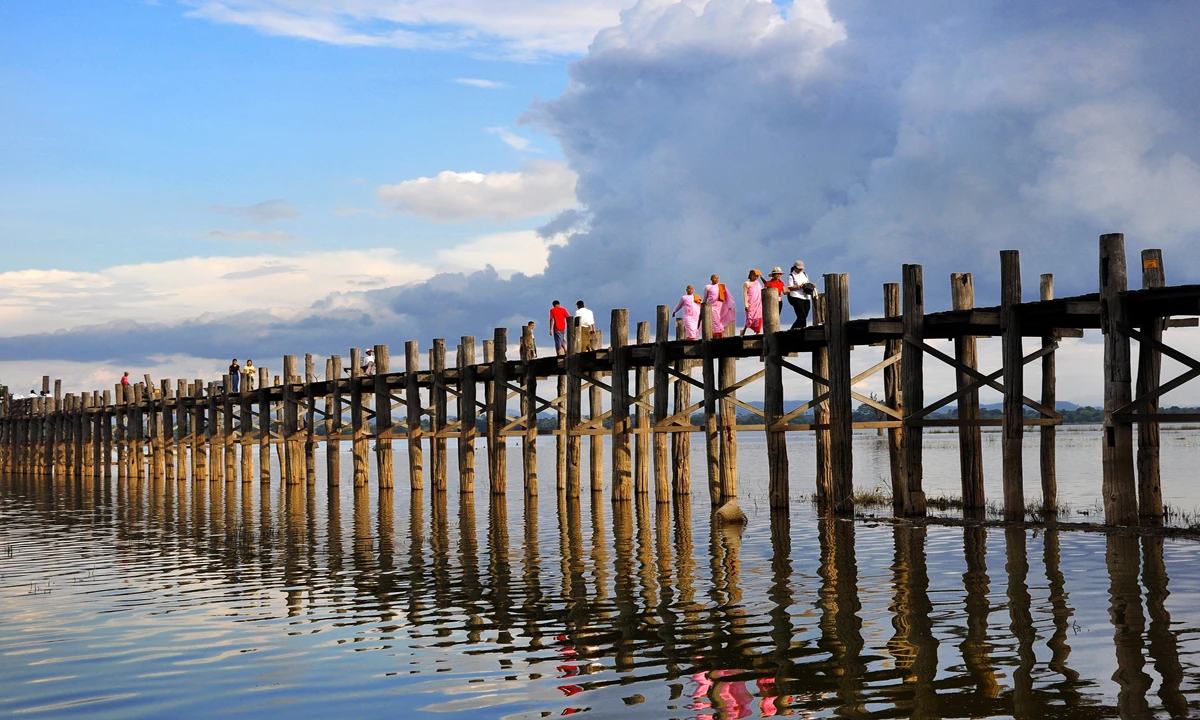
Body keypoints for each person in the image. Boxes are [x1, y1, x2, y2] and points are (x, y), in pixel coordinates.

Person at [786, 260, 817, 329]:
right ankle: (802, 328)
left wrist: (811, 285)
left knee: (805, 313)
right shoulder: (791, 276)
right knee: (801, 314)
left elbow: (807, 283)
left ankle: (794, 328)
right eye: (799, 269)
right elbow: (790, 287)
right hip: (796, 296)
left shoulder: (805, 274)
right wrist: (799, 286)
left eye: (801, 269)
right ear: (795, 268)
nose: (800, 270)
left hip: (805, 296)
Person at [742, 269, 763, 335]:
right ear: (751, 275)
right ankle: (744, 330)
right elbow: (745, 294)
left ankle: (757, 332)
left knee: (758, 318)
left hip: (758, 303)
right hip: (751, 303)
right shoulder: (747, 283)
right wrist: (746, 305)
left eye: (757, 276)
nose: (755, 277)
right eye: (754, 276)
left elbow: (761, 291)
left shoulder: (758, 283)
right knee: (749, 319)